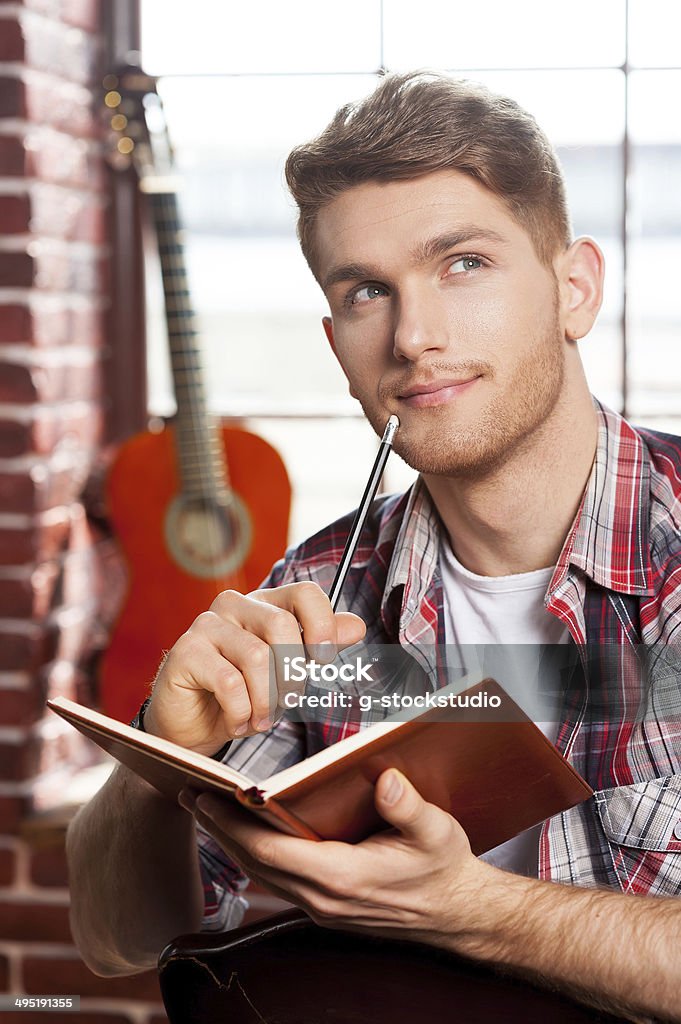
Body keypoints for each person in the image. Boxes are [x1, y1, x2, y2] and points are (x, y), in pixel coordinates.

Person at [66, 73, 681, 1020]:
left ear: (574, 289)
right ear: (334, 337)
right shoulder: (318, 590)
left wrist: (472, 912)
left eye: (463, 264)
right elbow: (120, 940)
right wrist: (160, 762)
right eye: (365, 291)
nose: (414, 337)